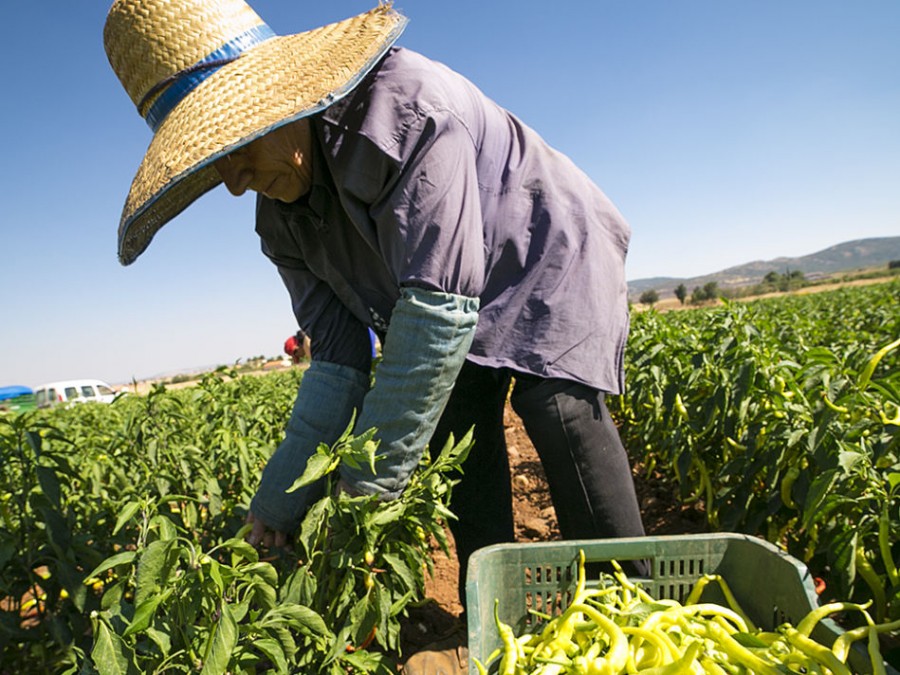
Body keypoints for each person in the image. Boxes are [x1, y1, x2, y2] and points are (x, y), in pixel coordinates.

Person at [104, 0, 647, 616]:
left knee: (558, 405)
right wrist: (280, 500)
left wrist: (365, 485)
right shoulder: (281, 223)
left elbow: (438, 311)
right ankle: (498, 615)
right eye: (215, 162)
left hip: (542, 247)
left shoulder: (404, 110)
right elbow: (337, 359)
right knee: (456, 427)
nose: (233, 181)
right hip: (445, 285)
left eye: (236, 146)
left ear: (279, 100)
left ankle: (626, 607)